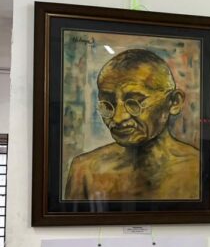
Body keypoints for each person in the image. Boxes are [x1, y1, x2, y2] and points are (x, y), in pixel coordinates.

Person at [65, 49, 200, 201]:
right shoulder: (84, 171)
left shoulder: (198, 167)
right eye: (108, 104)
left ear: (174, 102)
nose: (118, 118)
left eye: (135, 102)